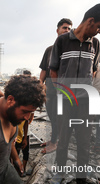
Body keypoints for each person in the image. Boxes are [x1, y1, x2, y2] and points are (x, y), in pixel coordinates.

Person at [48, 3, 100, 184]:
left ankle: (81, 182)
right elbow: (53, 71)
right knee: (63, 138)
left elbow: (93, 70)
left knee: (84, 141)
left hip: (85, 102)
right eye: (99, 26)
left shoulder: (96, 44)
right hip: (65, 100)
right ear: (90, 21)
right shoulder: (62, 41)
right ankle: (59, 173)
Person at [39, 18, 72, 154]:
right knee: (52, 116)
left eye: (69, 29)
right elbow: (44, 70)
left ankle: (54, 142)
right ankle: (54, 139)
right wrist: (40, 84)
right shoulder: (50, 50)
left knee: (60, 117)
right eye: (64, 28)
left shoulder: (71, 49)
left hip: (63, 91)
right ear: (57, 30)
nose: (67, 31)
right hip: (50, 90)